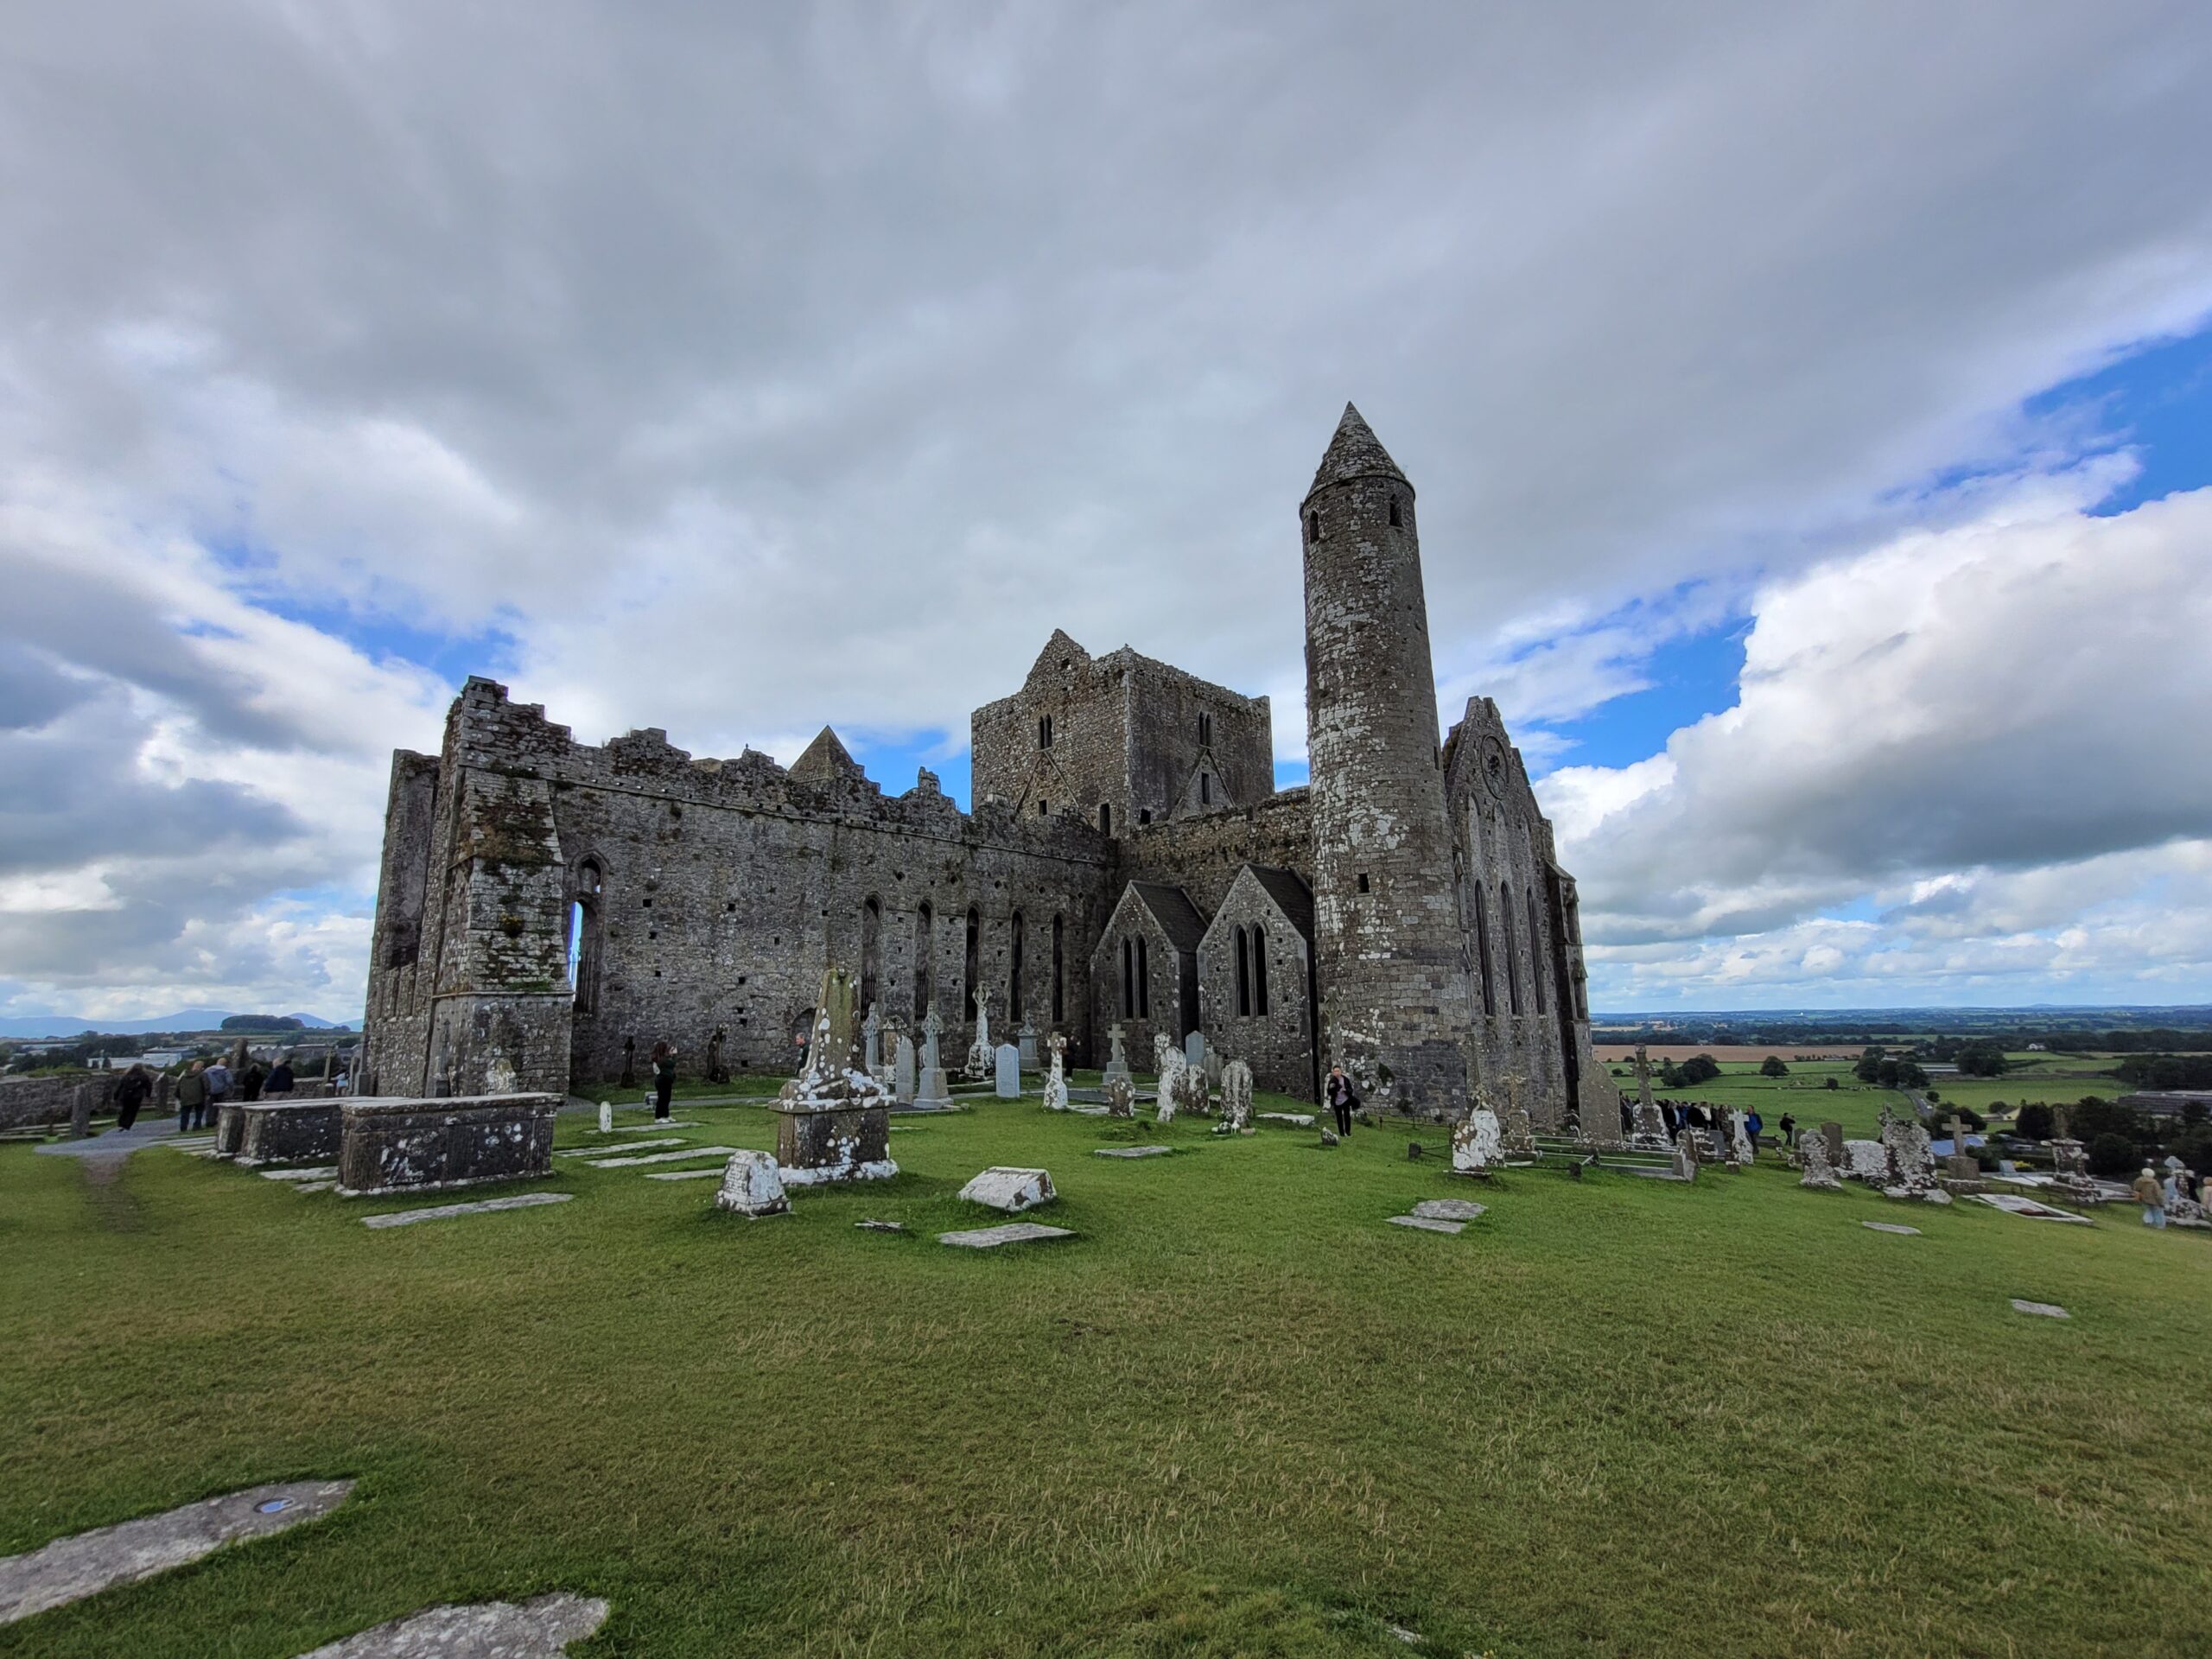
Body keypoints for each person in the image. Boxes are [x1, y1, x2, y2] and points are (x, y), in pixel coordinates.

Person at [114, 1063, 153, 1132]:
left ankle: (121, 1124)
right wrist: (148, 1095)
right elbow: (149, 1086)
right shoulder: (143, 1076)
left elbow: (120, 1087)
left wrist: (116, 1096)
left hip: (125, 1095)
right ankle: (127, 1125)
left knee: (125, 1110)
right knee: (133, 1112)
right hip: (136, 1096)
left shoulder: (126, 1076)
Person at [1325, 1064, 1358, 1137]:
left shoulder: (1345, 1079)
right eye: (1335, 1071)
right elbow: (1329, 1092)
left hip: (1345, 1100)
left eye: (1338, 1071)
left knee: (1347, 1116)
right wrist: (1334, 1089)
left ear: (1341, 1071)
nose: (1337, 1072)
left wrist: (1345, 1090)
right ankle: (1342, 1133)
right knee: (1339, 1117)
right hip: (1337, 1101)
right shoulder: (1332, 1081)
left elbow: (1350, 1090)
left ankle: (1348, 1132)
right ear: (1333, 1072)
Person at [176, 1061, 209, 1133]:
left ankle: (183, 1127)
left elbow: (178, 1086)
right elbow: (206, 1085)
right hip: (199, 1097)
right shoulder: (202, 1075)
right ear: (202, 1068)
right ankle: (197, 1126)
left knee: (185, 1113)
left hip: (185, 1097)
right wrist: (207, 1094)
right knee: (199, 1112)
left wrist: (178, 1095)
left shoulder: (184, 1075)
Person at [2133, 1166, 2166, 1230]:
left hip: (2144, 1199)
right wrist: (2161, 1203)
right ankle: (2160, 1225)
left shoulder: (2138, 1180)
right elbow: (2158, 1194)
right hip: (2154, 1201)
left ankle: (2147, 1221)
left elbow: (2136, 1189)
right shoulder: (2154, 1183)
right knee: (2158, 1212)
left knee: (2149, 1210)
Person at [651, 1040, 677, 1122]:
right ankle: (658, 1117)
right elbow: (672, 1063)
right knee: (662, 1098)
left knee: (666, 1098)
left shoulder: (662, 1058)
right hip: (662, 1080)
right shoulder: (661, 1060)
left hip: (666, 1080)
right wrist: (675, 1055)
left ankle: (666, 1115)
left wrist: (671, 1055)